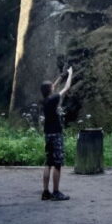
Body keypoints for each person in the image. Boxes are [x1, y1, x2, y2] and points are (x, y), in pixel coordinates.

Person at [41, 66, 73, 201]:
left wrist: (61, 76)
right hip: (56, 133)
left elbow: (52, 86)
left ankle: (45, 192)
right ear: (50, 90)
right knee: (57, 164)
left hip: (47, 133)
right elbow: (66, 88)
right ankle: (56, 192)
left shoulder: (44, 100)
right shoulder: (54, 99)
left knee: (48, 162)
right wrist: (70, 74)